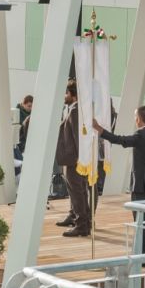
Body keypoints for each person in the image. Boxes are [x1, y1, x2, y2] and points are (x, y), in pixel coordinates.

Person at [93, 105, 145, 254]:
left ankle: (142, 254)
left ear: (138, 119)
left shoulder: (140, 136)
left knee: (141, 222)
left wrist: (99, 129)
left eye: (135, 117)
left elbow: (119, 140)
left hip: (140, 187)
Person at [54, 83, 91, 237]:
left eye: (65, 93)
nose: (64, 97)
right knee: (79, 191)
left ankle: (81, 225)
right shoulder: (76, 110)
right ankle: (81, 221)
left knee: (77, 192)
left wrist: (79, 158)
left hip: (75, 160)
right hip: (76, 159)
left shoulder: (76, 111)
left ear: (72, 94)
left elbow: (78, 137)